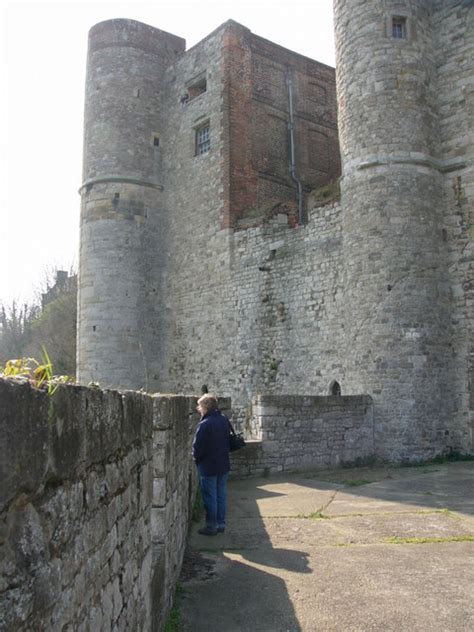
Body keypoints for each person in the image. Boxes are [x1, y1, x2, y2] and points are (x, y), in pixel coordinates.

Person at [192, 394, 230, 536]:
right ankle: (220, 523)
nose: (198, 409)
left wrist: (196, 460)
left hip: (208, 466)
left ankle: (211, 526)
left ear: (205, 407)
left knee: (210, 496)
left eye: (200, 406)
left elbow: (197, 448)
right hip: (223, 463)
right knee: (221, 494)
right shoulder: (224, 420)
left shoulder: (205, 424)